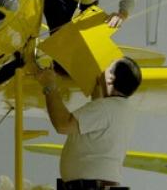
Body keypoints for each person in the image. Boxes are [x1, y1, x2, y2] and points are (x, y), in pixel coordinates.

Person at [36, 57, 142, 190]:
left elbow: (63, 125)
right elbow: (98, 122)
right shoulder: (123, 109)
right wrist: (97, 93)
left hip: (89, 186)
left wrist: (49, 85)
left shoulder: (105, 108)